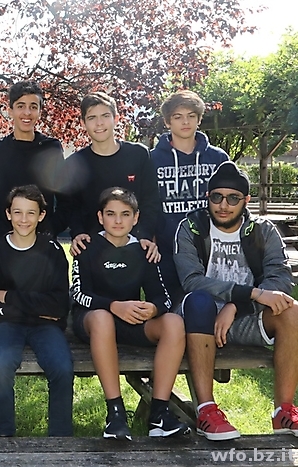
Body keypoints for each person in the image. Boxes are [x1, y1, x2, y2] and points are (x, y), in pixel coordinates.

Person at [174, 161, 298, 441]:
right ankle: (206, 411)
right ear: (207, 197)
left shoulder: (263, 230)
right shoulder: (192, 228)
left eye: (233, 198)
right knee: (200, 302)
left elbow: (280, 278)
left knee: (292, 311)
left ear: (246, 200)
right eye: (217, 197)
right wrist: (249, 294)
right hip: (197, 320)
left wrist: (237, 305)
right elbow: (192, 281)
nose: (223, 205)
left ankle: (284, 411)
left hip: (243, 318)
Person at [70, 187, 189, 440]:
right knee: (102, 318)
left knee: (173, 322)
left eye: (125, 214)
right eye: (110, 214)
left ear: (136, 218)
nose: (118, 221)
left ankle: (159, 414)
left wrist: (154, 309)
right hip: (92, 321)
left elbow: (163, 298)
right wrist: (113, 306)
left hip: (130, 322)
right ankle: (115, 414)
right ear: (100, 217)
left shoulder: (144, 250)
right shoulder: (87, 247)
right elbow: (78, 294)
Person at [0, 184, 73, 437]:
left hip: (46, 327)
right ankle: (3, 435)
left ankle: (61, 439)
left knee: (62, 368)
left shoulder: (52, 251)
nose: (24, 219)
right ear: (8, 214)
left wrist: (9, 297)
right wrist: (35, 308)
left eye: (31, 213)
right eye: (17, 212)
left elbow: (59, 306)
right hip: (5, 325)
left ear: (41, 215)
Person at [64, 91, 160, 262]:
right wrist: (78, 233)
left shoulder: (138, 155)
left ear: (116, 119)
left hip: (135, 248)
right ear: (83, 123)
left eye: (105, 116)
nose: (99, 123)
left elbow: (151, 201)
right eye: (92, 117)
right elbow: (71, 208)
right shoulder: (74, 164)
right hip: (93, 251)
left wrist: (144, 235)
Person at [151, 90, 229, 302]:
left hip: (211, 247)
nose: (185, 122)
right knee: (172, 309)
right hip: (167, 249)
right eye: (178, 117)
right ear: (167, 122)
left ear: (199, 119)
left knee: (212, 306)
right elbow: (146, 204)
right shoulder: (152, 160)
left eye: (191, 116)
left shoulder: (218, 158)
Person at [0, 81, 68, 242]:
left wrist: (50, 230)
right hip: (2, 241)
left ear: (40, 111)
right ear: (10, 110)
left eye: (33, 106)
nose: (27, 112)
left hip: (41, 243)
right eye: (21, 106)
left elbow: (66, 200)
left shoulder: (51, 149)